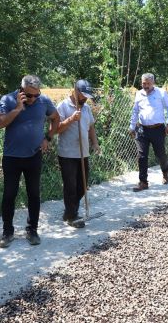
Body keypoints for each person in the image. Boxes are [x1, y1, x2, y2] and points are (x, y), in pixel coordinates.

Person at [0, 75, 60, 247]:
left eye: (36, 95)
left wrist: (48, 138)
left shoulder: (43, 101)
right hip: (12, 157)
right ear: (21, 91)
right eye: (29, 95)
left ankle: (32, 230)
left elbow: (56, 118)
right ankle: (7, 232)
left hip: (33, 156)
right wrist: (17, 108)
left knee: (34, 194)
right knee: (9, 195)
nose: (33, 99)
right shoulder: (7, 100)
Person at [56, 80, 100, 228]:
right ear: (75, 91)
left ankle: (69, 210)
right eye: (83, 95)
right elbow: (56, 129)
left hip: (83, 153)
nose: (85, 98)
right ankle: (72, 216)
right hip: (67, 153)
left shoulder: (86, 108)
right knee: (70, 186)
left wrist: (95, 143)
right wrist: (71, 119)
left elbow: (91, 127)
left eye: (87, 96)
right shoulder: (63, 106)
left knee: (82, 185)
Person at [129, 73, 168, 192]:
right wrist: (132, 127)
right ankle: (143, 182)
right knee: (142, 156)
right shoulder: (139, 94)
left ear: (153, 83)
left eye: (148, 83)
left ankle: (165, 172)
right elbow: (135, 111)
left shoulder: (161, 93)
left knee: (160, 154)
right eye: (144, 83)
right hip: (142, 129)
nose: (146, 86)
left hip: (158, 129)